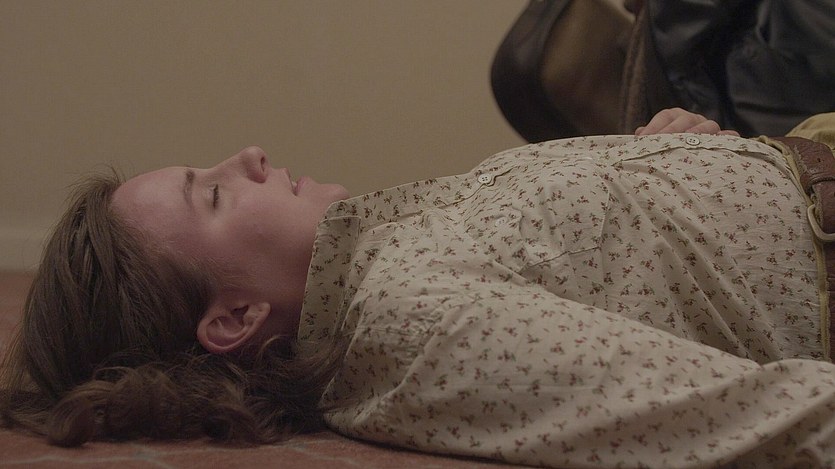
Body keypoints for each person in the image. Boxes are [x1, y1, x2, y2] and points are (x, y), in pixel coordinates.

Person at [2, 108, 835, 467]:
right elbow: (747, 415)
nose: (248, 155)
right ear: (235, 318)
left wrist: (660, 150)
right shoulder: (413, 325)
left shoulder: (378, 254)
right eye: (213, 194)